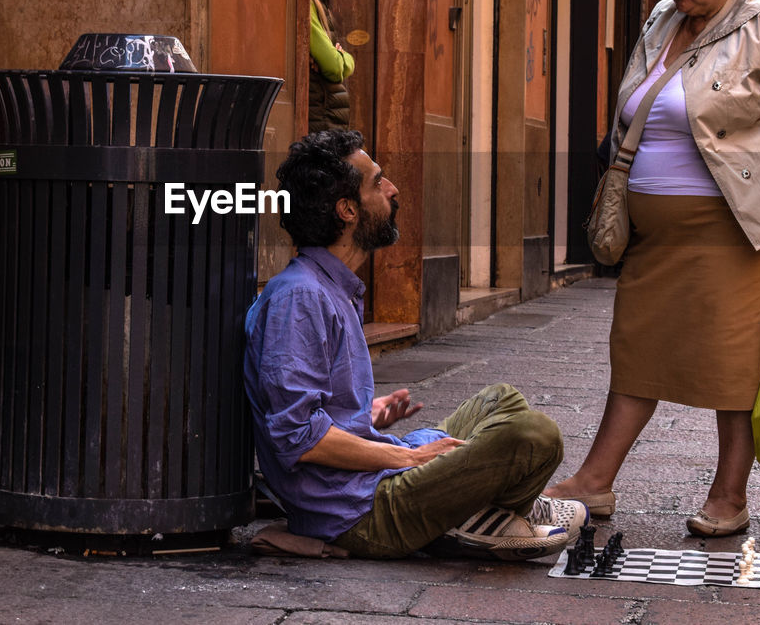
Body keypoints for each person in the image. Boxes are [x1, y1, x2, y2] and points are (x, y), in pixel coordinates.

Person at [544, 0, 760, 537]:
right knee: (636, 349)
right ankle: (595, 481)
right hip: (654, 237)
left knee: (733, 365)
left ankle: (729, 496)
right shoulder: (660, 22)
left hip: (735, 233)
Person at [245, 129, 588, 560]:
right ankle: (486, 513)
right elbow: (296, 438)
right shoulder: (301, 297)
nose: (393, 189)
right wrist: (407, 460)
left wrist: (361, 414)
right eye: (377, 182)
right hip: (359, 514)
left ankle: (482, 510)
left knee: (500, 400)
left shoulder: (331, 287)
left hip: (368, 484)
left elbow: (307, 413)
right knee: (534, 435)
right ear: (347, 210)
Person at [307, 0, 355, 132]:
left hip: (326, 118)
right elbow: (333, 66)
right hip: (321, 121)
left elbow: (335, 63)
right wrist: (343, 59)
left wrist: (342, 58)